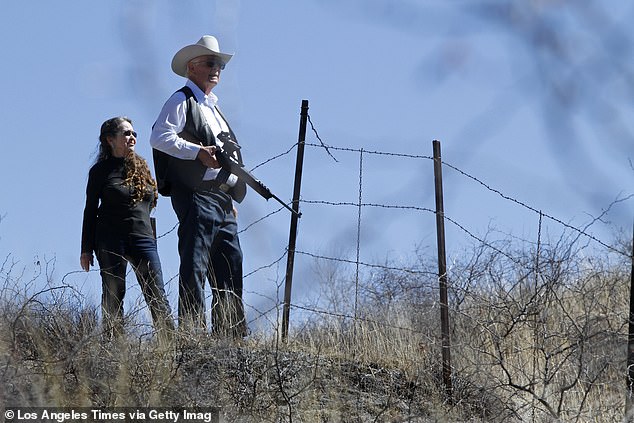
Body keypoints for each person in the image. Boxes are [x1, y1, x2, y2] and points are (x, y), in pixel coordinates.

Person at [150, 35, 248, 337]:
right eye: (210, 62)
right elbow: (159, 137)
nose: (216, 68)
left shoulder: (214, 110)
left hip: (221, 200)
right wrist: (197, 152)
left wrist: (230, 191)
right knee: (195, 264)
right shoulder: (181, 100)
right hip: (195, 196)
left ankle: (228, 336)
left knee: (230, 264)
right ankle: (193, 334)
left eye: (218, 63)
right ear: (192, 67)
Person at [81, 116, 174, 340]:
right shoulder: (100, 172)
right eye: (126, 133)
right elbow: (90, 209)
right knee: (114, 294)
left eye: (133, 134)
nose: (131, 137)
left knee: (156, 292)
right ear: (110, 140)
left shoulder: (142, 167)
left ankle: (172, 345)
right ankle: (114, 348)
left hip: (143, 237)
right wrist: (86, 249)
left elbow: (151, 202)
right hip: (111, 238)